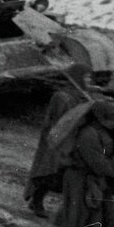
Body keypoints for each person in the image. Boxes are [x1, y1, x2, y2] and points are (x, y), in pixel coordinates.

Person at [24, 64, 93, 218]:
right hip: (56, 140)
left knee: (60, 174)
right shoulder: (62, 97)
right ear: (77, 78)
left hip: (71, 140)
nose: (89, 80)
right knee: (49, 172)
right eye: (86, 77)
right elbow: (59, 121)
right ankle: (36, 201)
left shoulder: (82, 95)